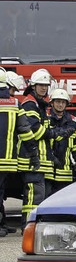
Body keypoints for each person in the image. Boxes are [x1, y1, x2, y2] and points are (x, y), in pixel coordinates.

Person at [17, 69, 74, 227]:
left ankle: (32, 225)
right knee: (34, 196)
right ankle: (28, 226)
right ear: (33, 86)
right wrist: (53, 133)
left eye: (45, 85)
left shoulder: (38, 104)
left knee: (38, 195)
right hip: (30, 157)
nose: (43, 88)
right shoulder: (30, 104)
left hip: (38, 158)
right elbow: (34, 129)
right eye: (40, 85)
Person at [0, 68, 37, 236]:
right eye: (13, 89)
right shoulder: (14, 104)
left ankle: (1, 223)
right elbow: (25, 131)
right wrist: (33, 153)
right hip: (7, 160)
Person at [47, 88, 76, 196]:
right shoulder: (46, 119)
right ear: (52, 103)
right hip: (48, 170)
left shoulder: (72, 122)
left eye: (63, 102)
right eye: (58, 102)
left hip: (65, 172)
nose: (60, 105)